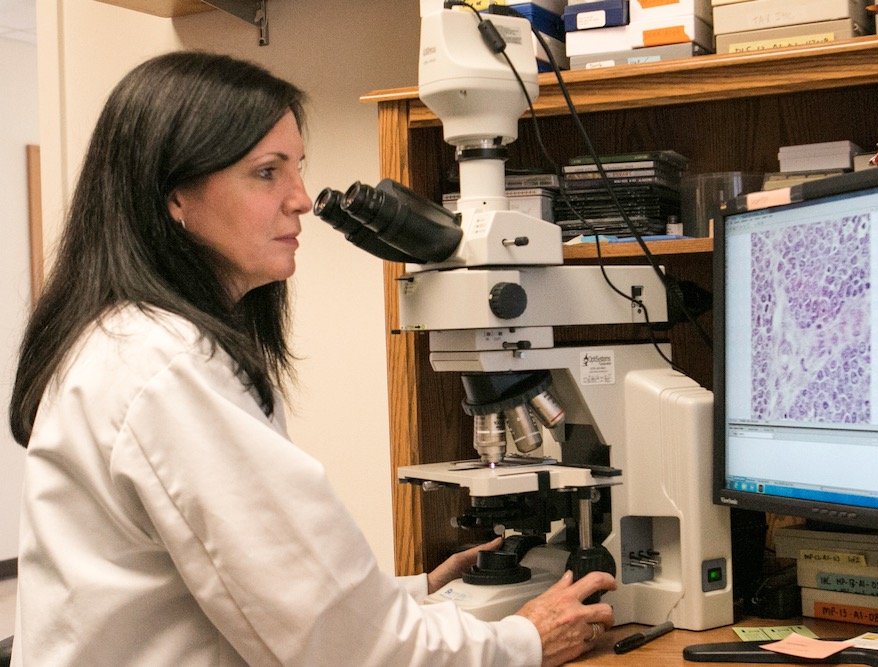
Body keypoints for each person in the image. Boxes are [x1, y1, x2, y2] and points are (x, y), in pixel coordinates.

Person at [7, 51, 615, 666]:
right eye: (267, 173)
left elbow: (246, 592)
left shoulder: (124, 339)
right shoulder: (165, 368)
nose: (300, 200)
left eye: (298, 170)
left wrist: (413, 593)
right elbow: (338, 647)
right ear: (174, 196)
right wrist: (522, 641)